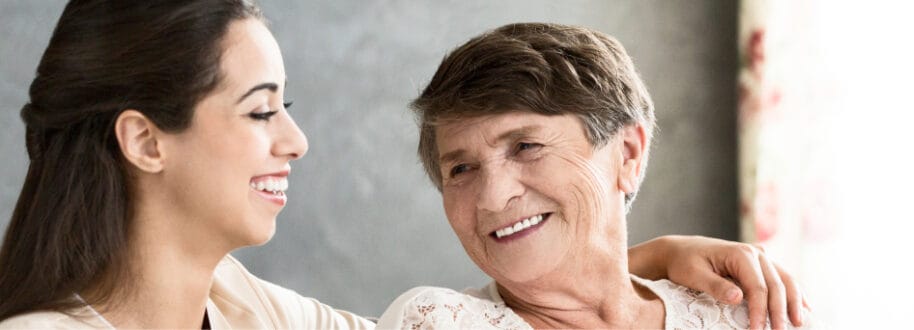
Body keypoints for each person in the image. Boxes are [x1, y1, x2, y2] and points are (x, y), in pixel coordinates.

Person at [0, 1, 804, 329]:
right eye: (260, 109)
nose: (295, 140)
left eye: (525, 146)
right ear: (145, 141)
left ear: (626, 151)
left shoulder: (247, 312)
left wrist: (652, 261)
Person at [378, 22, 811, 329]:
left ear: (627, 153)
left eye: (526, 147)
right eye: (461, 168)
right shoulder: (434, 322)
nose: (492, 197)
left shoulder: (743, 314)